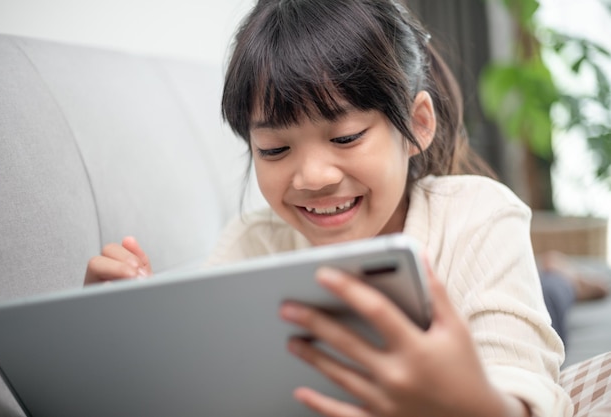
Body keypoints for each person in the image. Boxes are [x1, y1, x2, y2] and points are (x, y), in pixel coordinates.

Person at [85, 1, 574, 416]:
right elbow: (197, 381)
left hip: (498, 289)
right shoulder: (251, 245)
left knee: (553, 294)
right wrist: (117, 339)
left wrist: (471, 402)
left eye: (345, 137)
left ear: (418, 124)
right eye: (275, 150)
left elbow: (525, 385)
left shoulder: (479, 217)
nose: (312, 178)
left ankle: (562, 278)